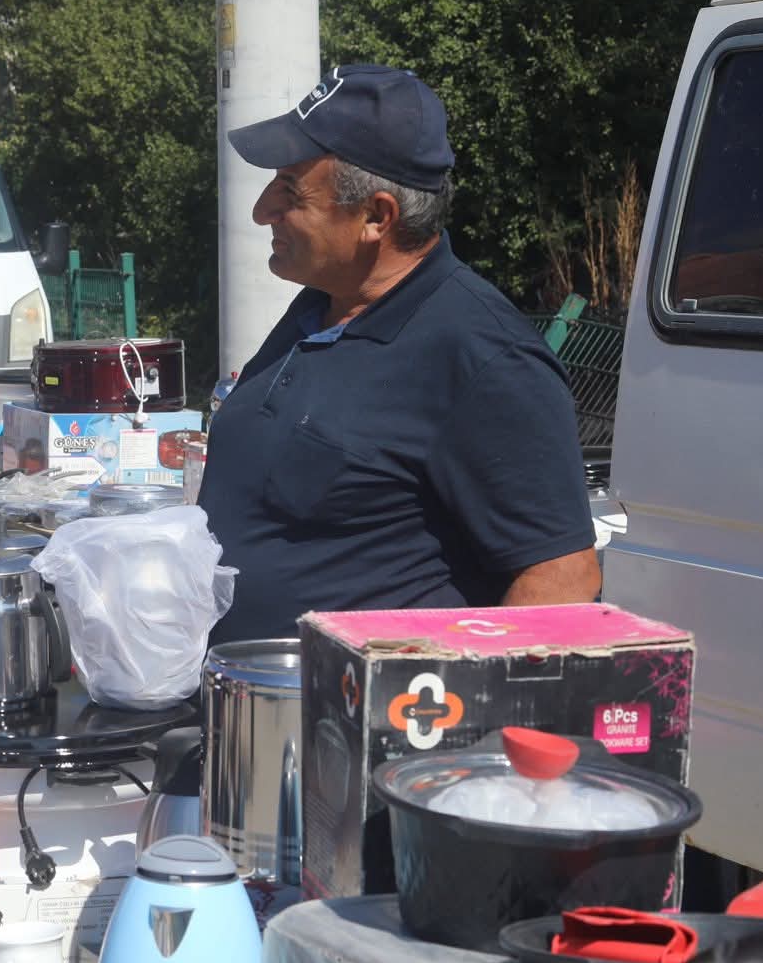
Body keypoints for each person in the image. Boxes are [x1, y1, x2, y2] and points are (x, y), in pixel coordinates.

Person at [198, 64, 600, 644]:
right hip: (241, 710)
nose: (263, 210)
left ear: (376, 217)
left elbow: (563, 576)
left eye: (290, 189)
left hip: (362, 723)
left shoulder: (483, 357)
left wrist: (451, 716)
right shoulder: (324, 304)